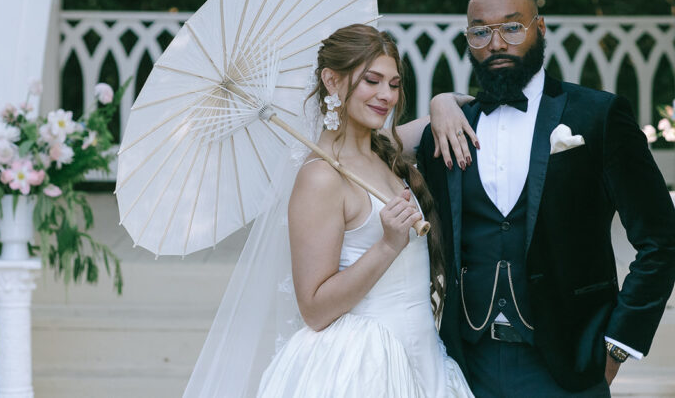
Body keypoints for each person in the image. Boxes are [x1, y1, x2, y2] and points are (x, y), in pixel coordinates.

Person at [416, 0, 675, 397]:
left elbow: (662, 240)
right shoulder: (445, 130)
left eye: (513, 27)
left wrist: (616, 348)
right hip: (467, 368)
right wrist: (438, 102)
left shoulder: (598, 117)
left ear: (540, 28)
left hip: (569, 366)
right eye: (480, 32)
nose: (497, 43)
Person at [184, 23, 472, 398]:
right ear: (332, 81)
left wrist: (441, 102)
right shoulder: (321, 177)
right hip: (367, 368)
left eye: (394, 83)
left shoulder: (384, 150)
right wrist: (387, 245)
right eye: (372, 81)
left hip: (426, 359)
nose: (386, 95)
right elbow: (315, 308)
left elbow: (442, 120)